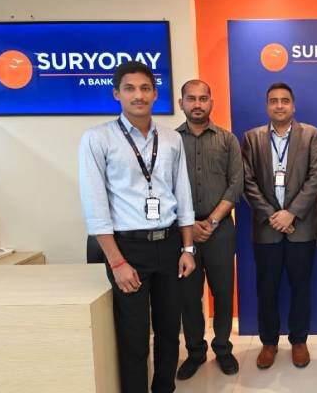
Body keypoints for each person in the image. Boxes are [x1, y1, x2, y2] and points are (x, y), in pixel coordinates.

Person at [79, 61, 196, 393]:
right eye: (129, 88)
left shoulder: (171, 139)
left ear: (155, 94)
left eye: (145, 88)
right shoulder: (97, 139)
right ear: (116, 94)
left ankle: (164, 388)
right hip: (127, 248)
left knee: (169, 330)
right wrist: (117, 262)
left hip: (169, 244)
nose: (138, 95)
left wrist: (188, 248)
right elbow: (95, 206)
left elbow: (182, 194)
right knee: (133, 336)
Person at [241, 82, 317, 370]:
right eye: (274, 100)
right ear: (267, 106)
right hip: (266, 229)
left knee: (301, 287)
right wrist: (272, 216)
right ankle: (269, 342)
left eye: (285, 100)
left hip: (301, 227)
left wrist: (291, 214)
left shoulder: (311, 134)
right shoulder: (251, 138)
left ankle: (299, 341)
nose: (279, 105)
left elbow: (316, 177)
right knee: (266, 288)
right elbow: (247, 181)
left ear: (293, 105)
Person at [174, 80, 244, 380]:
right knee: (188, 296)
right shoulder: (170, 141)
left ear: (211, 103)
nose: (197, 104)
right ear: (181, 103)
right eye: (191, 99)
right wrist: (189, 224)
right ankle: (195, 352)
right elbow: (164, 186)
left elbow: (236, 184)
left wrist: (212, 221)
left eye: (203, 98)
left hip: (221, 229)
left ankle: (223, 349)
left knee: (223, 292)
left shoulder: (228, 140)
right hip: (182, 230)